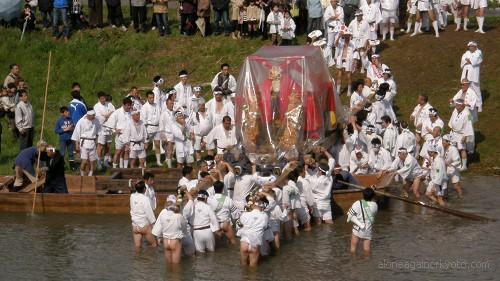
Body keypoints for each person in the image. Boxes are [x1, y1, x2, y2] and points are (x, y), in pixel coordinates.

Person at [237, 194, 269, 267]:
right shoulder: (264, 216)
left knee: (243, 267)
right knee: (253, 270)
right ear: (262, 205)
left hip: (244, 243)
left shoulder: (244, 214)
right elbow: (265, 227)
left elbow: (238, 226)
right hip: (255, 244)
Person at [347, 187, 377, 256]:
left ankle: (354, 261)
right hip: (368, 229)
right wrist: (373, 191)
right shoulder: (375, 205)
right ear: (372, 196)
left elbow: (349, 215)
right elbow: (373, 201)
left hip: (357, 228)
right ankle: (367, 262)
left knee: (353, 248)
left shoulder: (357, 203)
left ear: (363, 195)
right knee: (367, 250)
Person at [309, 148, 335, 224]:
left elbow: (305, 176)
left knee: (318, 224)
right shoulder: (329, 176)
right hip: (327, 203)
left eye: (317, 169)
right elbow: (332, 160)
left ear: (320, 171)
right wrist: (325, 151)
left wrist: (306, 166)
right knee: (329, 222)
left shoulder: (314, 180)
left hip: (318, 204)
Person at [105, 98, 132, 168]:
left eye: (130, 105)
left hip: (129, 136)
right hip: (120, 136)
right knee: (118, 152)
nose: (129, 107)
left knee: (126, 152)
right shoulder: (117, 113)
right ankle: (114, 167)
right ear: (123, 105)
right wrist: (115, 131)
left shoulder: (131, 113)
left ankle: (125, 168)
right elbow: (109, 126)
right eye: (127, 105)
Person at [72, 110, 101, 176]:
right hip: (84, 143)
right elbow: (77, 133)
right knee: (84, 161)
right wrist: (77, 144)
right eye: (92, 115)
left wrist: (97, 141)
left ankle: (90, 174)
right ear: (88, 115)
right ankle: (82, 172)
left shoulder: (96, 120)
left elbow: (99, 131)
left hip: (92, 142)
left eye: (94, 115)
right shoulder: (81, 121)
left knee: (92, 161)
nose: (94, 116)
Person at [130, 181, 157, 250]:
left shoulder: (132, 196)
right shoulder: (145, 199)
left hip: (135, 226)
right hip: (144, 226)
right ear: (144, 189)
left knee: (137, 247)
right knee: (154, 245)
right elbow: (149, 212)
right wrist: (154, 224)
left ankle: (138, 260)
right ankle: (149, 259)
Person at [448, 99, 474, 171]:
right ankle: (455, 163)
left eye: (458, 105)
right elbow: (452, 120)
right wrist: (451, 128)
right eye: (456, 105)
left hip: (461, 134)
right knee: (453, 148)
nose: (456, 106)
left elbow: (469, 125)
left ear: (462, 106)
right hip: (453, 133)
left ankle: (464, 166)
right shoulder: (455, 110)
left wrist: (465, 136)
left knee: (462, 149)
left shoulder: (467, 113)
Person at [141, 91, 163, 166]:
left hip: (157, 127)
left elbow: (160, 115)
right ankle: (144, 161)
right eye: (150, 98)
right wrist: (145, 130)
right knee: (146, 145)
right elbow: (143, 119)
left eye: (153, 97)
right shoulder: (144, 107)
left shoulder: (157, 105)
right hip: (149, 127)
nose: (152, 99)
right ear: (147, 98)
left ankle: (158, 161)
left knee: (157, 144)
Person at [94, 91, 115, 169]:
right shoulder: (96, 106)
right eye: (102, 98)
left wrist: (107, 115)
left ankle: (106, 162)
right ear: (99, 99)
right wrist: (107, 115)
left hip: (109, 128)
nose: (103, 100)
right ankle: (99, 163)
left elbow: (114, 113)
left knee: (108, 146)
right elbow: (99, 118)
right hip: (101, 128)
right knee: (101, 146)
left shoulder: (109, 104)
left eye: (104, 98)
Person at [460, 41, 483, 112]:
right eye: (470, 46)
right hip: (466, 73)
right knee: (468, 90)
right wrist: (468, 61)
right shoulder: (466, 53)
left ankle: (479, 105)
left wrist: (469, 61)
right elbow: (463, 60)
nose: (470, 47)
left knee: (476, 90)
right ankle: (469, 105)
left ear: (475, 47)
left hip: (474, 74)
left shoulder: (479, 53)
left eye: (472, 46)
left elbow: (475, 61)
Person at [335, 29, 356, 96]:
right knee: (339, 76)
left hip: (349, 61)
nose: (346, 37)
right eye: (345, 35)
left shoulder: (353, 43)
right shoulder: (341, 41)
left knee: (349, 76)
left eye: (347, 36)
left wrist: (354, 64)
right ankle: (338, 91)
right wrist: (339, 36)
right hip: (341, 60)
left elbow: (355, 53)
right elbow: (336, 44)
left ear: (349, 36)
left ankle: (349, 90)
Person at [54, 106, 76, 171]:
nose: (68, 113)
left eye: (68, 111)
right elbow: (56, 130)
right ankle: (61, 166)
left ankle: (72, 166)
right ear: (62, 113)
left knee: (71, 153)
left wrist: (72, 128)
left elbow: (73, 127)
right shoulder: (59, 121)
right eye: (66, 112)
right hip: (63, 140)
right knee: (62, 153)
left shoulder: (70, 119)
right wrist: (64, 130)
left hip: (70, 139)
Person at [442, 134, 463, 198]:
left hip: (453, 170)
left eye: (444, 140)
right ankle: (446, 197)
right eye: (442, 140)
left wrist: (450, 164)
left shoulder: (453, 149)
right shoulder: (444, 148)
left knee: (456, 186)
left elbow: (458, 160)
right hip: (446, 169)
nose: (442, 142)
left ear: (448, 142)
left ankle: (461, 198)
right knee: (445, 185)